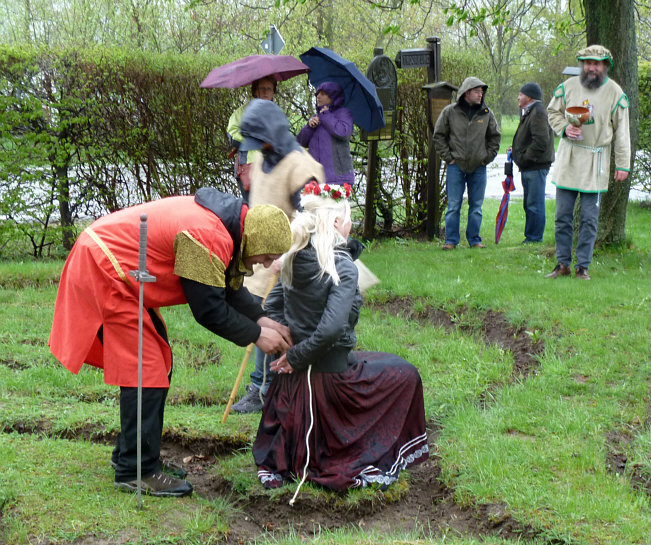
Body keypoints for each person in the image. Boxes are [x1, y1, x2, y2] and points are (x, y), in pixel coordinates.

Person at [49, 188, 294, 497]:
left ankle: (134, 457)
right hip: (106, 267)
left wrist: (262, 319)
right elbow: (210, 310)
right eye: (267, 256)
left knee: (157, 363)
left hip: (117, 267)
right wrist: (258, 336)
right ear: (256, 240)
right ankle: (135, 471)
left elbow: (225, 288)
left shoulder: (232, 227)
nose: (263, 263)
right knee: (146, 369)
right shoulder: (207, 235)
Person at [252, 191, 429, 492]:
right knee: (406, 374)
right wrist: (295, 357)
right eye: (349, 219)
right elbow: (332, 329)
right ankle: (353, 446)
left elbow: (272, 310)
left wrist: (290, 350)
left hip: (291, 383)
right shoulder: (342, 267)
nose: (352, 225)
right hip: (331, 379)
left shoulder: (292, 260)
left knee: (378, 361)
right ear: (335, 222)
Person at [230, 99, 326, 414]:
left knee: (274, 322)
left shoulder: (302, 166)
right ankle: (262, 387)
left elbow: (313, 214)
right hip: (261, 260)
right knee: (259, 317)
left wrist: (286, 250)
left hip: (288, 260)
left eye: (262, 140)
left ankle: (266, 389)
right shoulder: (263, 159)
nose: (260, 147)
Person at [545, 45, 631, 280]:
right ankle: (562, 263)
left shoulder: (615, 92)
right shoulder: (568, 87)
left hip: (596, 160)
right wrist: (564, 129)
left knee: (589, 219)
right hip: (569, 157)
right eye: (588, 63)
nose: (592, 67)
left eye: (597, 63)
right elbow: (552, 112)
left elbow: (622, 132)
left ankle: (582, 266)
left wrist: (623, 164)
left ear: (605, 66)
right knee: (562, 215)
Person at [433, 77, 501, 250]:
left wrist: (486, 158)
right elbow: (439, 136)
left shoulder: (486, 113)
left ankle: (475, 240)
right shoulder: (450, 112)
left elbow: (495, 138)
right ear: (466, 93)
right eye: (477, 91)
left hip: (478, 167)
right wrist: (449, 158)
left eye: (482, 92)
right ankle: (451, 241)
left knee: (476, 206)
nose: (481, 95)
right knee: (453, 205)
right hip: (456, 166)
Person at [512, 82, 555, 243]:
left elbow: (541, 142)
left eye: (521, 94)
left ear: (529, 97)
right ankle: (531, 236)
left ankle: (534, 238)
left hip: (535, 166)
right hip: (530, 166)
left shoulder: (538, 112)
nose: (518, 97)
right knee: (530, 203)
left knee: (534, 204)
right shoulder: (532, 111)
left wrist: (524, 157)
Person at [296, 81, 355, 186]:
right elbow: (300, 141)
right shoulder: (317, 117)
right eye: (317, 93)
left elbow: (343, 133)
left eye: (323, 94)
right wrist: (309, 127)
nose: (318, 96)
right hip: (315, 179)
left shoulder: (344, 113)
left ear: (333, 96)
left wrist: (326, 114)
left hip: (338, 179)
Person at [227, 77, 277, 200]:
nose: (266, 92)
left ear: (273, 92)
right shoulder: (242, 112)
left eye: (269, 89)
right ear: (255, 91)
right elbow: (232, 134)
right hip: (249, 167)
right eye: (262, 89)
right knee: (253, 210)